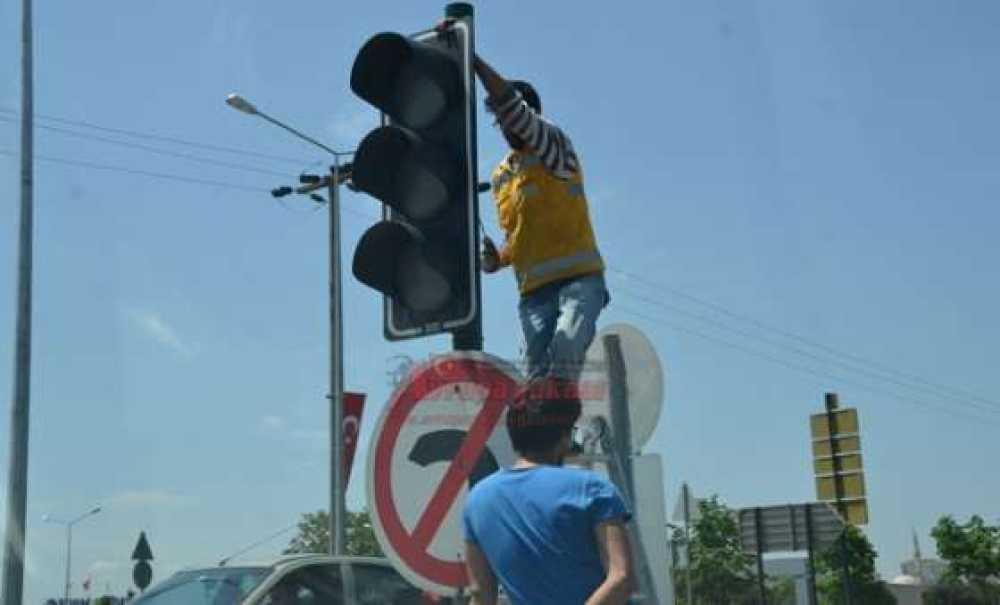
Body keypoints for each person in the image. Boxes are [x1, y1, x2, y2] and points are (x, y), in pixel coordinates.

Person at [471, 49, 609, 390]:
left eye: (508, 118)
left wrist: (470, 60)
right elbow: (518, 238)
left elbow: (512, 109)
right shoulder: (502, 176)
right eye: (499, 123)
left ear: (531, 116)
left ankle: (565, 431)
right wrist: (494, 260)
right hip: (533, 295)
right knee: (535, 384)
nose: (504, 127)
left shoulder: (554, 146)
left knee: (564, 348)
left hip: (579, 283)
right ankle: (561, 440)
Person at [462, 393, 635, 605]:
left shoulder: (478, 499)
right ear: (564, 437)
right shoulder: (592, 488)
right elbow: (621, 578)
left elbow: (480, 594)